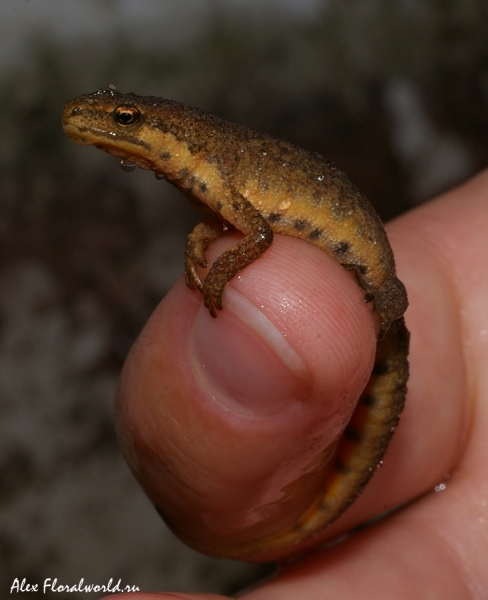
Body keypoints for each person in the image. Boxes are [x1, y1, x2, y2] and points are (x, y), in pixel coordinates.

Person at [107, 170, 488, 599]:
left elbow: (258, 236)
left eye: (125, 120)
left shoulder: (222, 173)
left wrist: (221, 271)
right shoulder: (220, 185)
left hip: (384, 316)